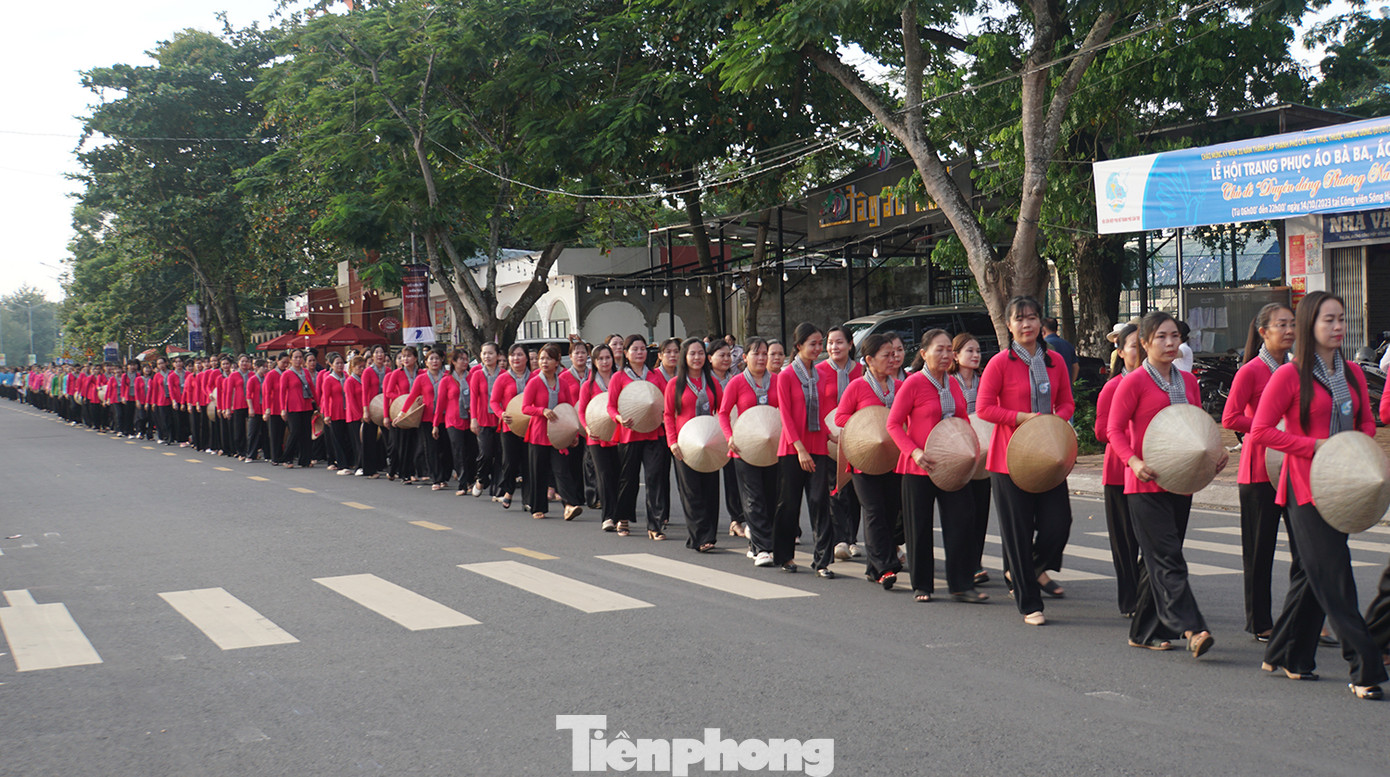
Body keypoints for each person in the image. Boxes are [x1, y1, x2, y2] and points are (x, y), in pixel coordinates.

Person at [1252, 291, 1387, 699]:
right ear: (1310, 325)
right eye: (1329, 319)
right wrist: (1315, 447)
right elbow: (1261, 431)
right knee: (1335, 577)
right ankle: (1365, 668)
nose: (1338, 326)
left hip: (1343, 487)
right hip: (1305, 489)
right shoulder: (1289, 375)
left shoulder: (1352, 373)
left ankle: (1289, 654)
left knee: (1312, 577)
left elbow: (1367, 422)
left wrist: (1353, 446)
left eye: (1341, 318)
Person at [1107, 311, 1223, 657]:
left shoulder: (1187, 382)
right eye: (1161, 337)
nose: (1171, 343)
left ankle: (1143, 630)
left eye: (1175, 336)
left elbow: (1196, 424)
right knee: (1168, 558)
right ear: (1144, 343)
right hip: (1145, 484)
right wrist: (1133, 461)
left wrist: (1213, 454)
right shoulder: (1133, 382)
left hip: (1181, 482)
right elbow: (1114, 430)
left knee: (1156, 560)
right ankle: (1193, 628)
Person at [976, 296, 1074, 626]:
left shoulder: (1055, 360)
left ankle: (1027, 567)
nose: (1027, 324)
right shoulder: (999, 363)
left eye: (1032, 317)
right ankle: (1030, 604)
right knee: (1017, 532)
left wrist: (1054, 420)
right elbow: (984, 407)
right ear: (1009, 325)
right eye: (1019, 319)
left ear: (1040, 322)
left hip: (1048, 456)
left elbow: (1067, 402)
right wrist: (1022, 418)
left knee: (1058, 524)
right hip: (1010, 459)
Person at [889, 328, 983, 603]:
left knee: (961, 521)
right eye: (939, 349)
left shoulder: (952, 384)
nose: (945, 355)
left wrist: (969, 448)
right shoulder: (913, 384)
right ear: (924, 353)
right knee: (918, 528)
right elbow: (893, 424)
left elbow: (963, 419)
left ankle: (961, 584)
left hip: (952, 467)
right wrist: (914, 452)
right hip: (920, 467)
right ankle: (922, 585)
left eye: (948, 350)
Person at [1222, 303, 1296, 642]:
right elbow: (1230, 417)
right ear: (1263, 332)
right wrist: (1269, 426)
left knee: (1306, 549)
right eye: (1282, 324)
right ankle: (1260, 620)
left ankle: (1305, 615)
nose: (1289, 330)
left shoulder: (1297, 370)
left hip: (1293, 467)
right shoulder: (1251, 371)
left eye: (1292, 324)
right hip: (1259, 471)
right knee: (1259, 550)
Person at [835, 333, 901, 588]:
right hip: (864, 459)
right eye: (886, 355)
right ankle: (885, 567)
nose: (892, 359)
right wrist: (867, 422)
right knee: (873, 511)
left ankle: (874, 568)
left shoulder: (899, 386)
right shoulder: (857, 387)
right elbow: (840, 417)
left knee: (890, 511)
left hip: (892, 458)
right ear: (869, 360)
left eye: (894, 354)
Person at [774, 323, 834, 576]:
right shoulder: (786, 375)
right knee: (789, 504)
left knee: (820, 501)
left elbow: (820, 412)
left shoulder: (820, 374)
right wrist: (799, 449)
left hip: (818, 445)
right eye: (813, 344)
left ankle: (823, 561)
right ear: (799, 346)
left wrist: (830, 434)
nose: (818, 348)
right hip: (792, 449)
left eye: (821, 343)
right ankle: (785, 556)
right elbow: (786, 416)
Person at [1094, 322, 1143, 618]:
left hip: (1153, 469)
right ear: (1121, 352)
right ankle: (1130, 599)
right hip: (1119, 471)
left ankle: (1149, 593)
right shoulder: (1112, 387)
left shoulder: (1160, 382)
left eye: (1143, 344)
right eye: (1134, 346)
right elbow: (1102, 432)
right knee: (1125, 541)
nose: (1140, 351)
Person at [720, 337, 779, 567]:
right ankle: (764, 548)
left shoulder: (777, 380)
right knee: (753, 498)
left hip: (772, 447)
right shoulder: (736, 382)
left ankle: (756, 544)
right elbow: (723, 413)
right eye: (756, 353)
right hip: (744, 448)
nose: (762, 358)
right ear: (745, 357)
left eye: (765, 353)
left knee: (771, 497)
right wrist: (730, 436)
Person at [664, 338, 723, 552]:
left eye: (700, 353)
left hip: (709, 443)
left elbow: (722, 412)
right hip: (685, 444)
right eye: (692, 353)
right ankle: (700, 536)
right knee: (691, 491)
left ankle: (709, 535)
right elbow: (668, 415)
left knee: (710, 490)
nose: (697, 357)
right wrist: (672, 442)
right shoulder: (675, 384)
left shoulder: (713, 383)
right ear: (684, 357)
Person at [609, 334, 669, 539]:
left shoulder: (655, 376)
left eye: (643, 349)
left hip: (653, 434)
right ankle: (623, 518)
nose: (639, 352)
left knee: (654, 478)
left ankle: (655, 525)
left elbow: (665, 401)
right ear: (626, 353)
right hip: (629, 434)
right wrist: (619, 418)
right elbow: (611, 406)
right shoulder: (619, 377)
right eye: (634, 349)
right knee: (629, 479)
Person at [522, 343, 584, 519]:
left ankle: (569, 505)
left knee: (562, 470)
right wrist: (541, 411)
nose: (544, 362)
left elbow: (569, 408)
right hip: (539, 433)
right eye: (541, 358)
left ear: (557, 362)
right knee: (538, 471)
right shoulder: (534, 382)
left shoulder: (562, 383)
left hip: (559, 434)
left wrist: (573, 433)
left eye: (548, 358)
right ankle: (538, 507)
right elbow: (525, 407)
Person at [949, 333, 991, 587]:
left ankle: (976, 562)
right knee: (962, 511)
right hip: (956, 451)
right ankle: (965, 563)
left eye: (977, 351)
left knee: (981, 508)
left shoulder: (985, 380)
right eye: (969, 351)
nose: (976, 355)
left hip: (983, 451)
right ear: (955, 355)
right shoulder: (948, 382)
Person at [822, 326, 864, 563]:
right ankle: (839, 539)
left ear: (850, 344)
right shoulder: (819, 371)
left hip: (857, 436)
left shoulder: (862, 371)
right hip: (830, 438)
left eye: (839, 342)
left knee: (856, 487)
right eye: (830, 343)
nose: (834, 347)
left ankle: (852, 538)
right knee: (835, 486)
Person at [707, 339, 745, 539]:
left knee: (733, 478)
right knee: (710, 481)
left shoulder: (735, 379)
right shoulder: (704, 381)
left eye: (728, 355)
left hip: (731, 433)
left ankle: (736, 519)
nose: (726, 359)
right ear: (710, 358)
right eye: (721, 355)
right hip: (709, 435)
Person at [579, 344, 620, 531]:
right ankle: (608, 516)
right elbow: (582, 411)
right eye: (600, 359)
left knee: (619, 475)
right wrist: (588, 428)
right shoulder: (588, 385)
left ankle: (621, 515)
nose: (604, 362)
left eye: (607, 357)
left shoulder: (620, 380)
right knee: (604, 476)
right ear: (594, 362)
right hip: (596, 436)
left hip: (618, 434)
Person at [490, 344, 531, 508]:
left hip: (530, 427)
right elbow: (494, 401)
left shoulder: (534, 377)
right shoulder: (503, 378)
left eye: (520, 355)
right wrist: (501, 414)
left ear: (526, 358)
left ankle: (528, 499)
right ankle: (508, 490)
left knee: (529, 463)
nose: (516, 358)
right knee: (509, 461)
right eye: (513, 355)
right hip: (509, 426)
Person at [402, 349, 449, 489]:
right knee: (431, 449)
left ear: (442, 360)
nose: (434, 361)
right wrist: (402, 412)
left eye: (437, 358)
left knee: (445, 448)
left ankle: (444, 476)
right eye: (431, 359)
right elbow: (412, 396)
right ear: (426, 362)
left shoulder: (447, 376)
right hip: (427, 418)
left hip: (445, 417)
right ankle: (436, 478)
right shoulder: (421, 378)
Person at [435, 348, 477, 496]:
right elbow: (440, 404)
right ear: (453, 362)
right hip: (453, 420)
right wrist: (435, 424)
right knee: (458, 452)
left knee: (471, 451)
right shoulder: (446, 380)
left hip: (471, 419)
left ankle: (471, 480)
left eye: (466, 359)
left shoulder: (472, 378)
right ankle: (462, 483)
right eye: (461, 359)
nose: (465, 362)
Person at [470, 343, 504, 496]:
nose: (487, 356)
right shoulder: (477, 374)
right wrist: (473, 418)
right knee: (485, 454)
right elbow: (473, 398)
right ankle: (481, 478)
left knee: (500, 455)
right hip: (483, 419)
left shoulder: (504, 374)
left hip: (500, 420)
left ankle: (497, 490)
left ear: (498, 355)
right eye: (484, 353)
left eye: (490, 353)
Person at [279, 349, 317, 469]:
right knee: (295, 432)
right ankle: (287, 458)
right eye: (295, 357)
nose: (298, 360)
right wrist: (283, 409)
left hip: (306, 405)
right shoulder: (286, 374)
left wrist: (318, 403)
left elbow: (312, 388)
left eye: (300, 357)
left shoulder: (305, 372)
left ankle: (305, 459)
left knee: (306, 433)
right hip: (293, 407)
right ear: (291, 360)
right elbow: (282, 393)